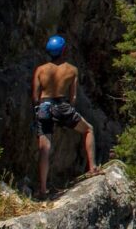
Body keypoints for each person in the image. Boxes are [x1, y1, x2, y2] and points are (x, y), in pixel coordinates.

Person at [32, 34, 96, 196]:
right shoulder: (72, 70)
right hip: (62, 105)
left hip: (44, 106)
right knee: (88, 130)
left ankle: (43, 188)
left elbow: (35, 96)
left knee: (44, 148)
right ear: (63, 50)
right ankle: (92, 168)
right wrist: (67, 114)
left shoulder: (40, 70)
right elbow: (73, 98)